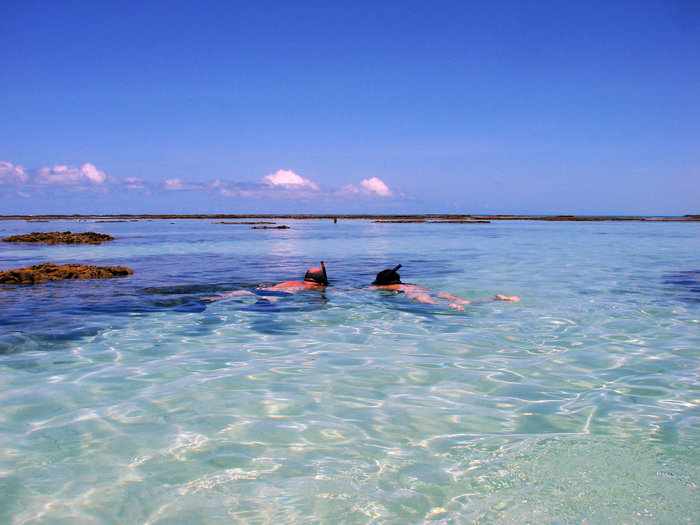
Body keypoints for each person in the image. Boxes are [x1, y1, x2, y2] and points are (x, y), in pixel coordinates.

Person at [371, 264, 519, 311]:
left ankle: (450, 306)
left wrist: (351, 291)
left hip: (416, 295)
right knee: (467, 302)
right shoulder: (411, 284)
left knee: (432, 305)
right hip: (432, 291)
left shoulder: (390, 287)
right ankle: (495, 298)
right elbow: (425, 290)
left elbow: (371, 289)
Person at [205, 262, 329, 302]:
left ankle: (208, 299)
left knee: (221, 297)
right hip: (281, 293)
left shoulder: (291, 281)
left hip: (263, 289)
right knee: (264, 304)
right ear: (321, 282)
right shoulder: (316, 287)